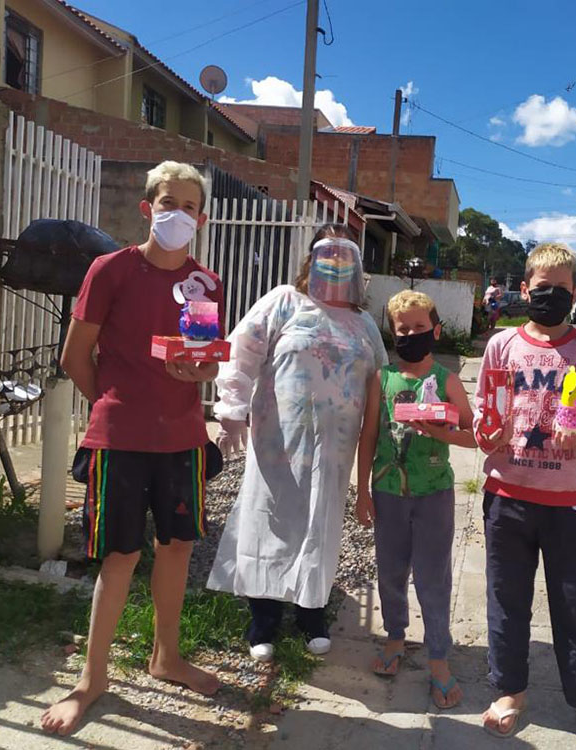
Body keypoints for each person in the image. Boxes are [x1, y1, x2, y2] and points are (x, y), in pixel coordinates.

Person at [41, 161, 223, 735]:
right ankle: (91, 681)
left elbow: (203, 360)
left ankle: (166, 658)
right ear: (149, 208)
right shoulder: (110, 270)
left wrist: (195, 375)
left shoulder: (205, 283)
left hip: (184, 442)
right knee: (120, 558)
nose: (180, 213)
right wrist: (114, 405)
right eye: (170, 202)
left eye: (191, 206)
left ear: (203, 216)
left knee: (176, 550)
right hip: (119, 442)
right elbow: (75, 356)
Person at [207, 225, 387, 662]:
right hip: (278, 443)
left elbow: (380, 378)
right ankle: (263, 619)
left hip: (335, 452)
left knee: (321, 526)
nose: (337, 264)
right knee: (270, 521)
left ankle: (312, 614)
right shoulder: (284, 301)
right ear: (312, 260)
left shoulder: (363, 322)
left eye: (347, 256)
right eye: (329, 255)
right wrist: (231, 408)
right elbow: (242, 351)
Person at [475, 243, 576, 749]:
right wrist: (483, 431)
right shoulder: (502, 345)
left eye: (562, 290)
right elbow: (483, 410)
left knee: (574, 602)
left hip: (566, 502)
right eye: (542, 288)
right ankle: (509, 691)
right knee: (506, 598)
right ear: (524, 289)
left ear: (575, 294)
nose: (551, 297)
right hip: (506, 495)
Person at [355, 290, 476, 709]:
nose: (411, 335)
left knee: (433, 576)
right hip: (388, 493)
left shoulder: (447, 381)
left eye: (419, 328)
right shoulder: (381, 379)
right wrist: (362, 491)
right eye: (402, 329)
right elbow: (369, 435)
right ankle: (394, 638)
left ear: (435, 331)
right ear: (392, 333)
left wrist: (440, 430)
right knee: (389, 571)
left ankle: (439, 656)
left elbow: (473, 435)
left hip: (433, 495)